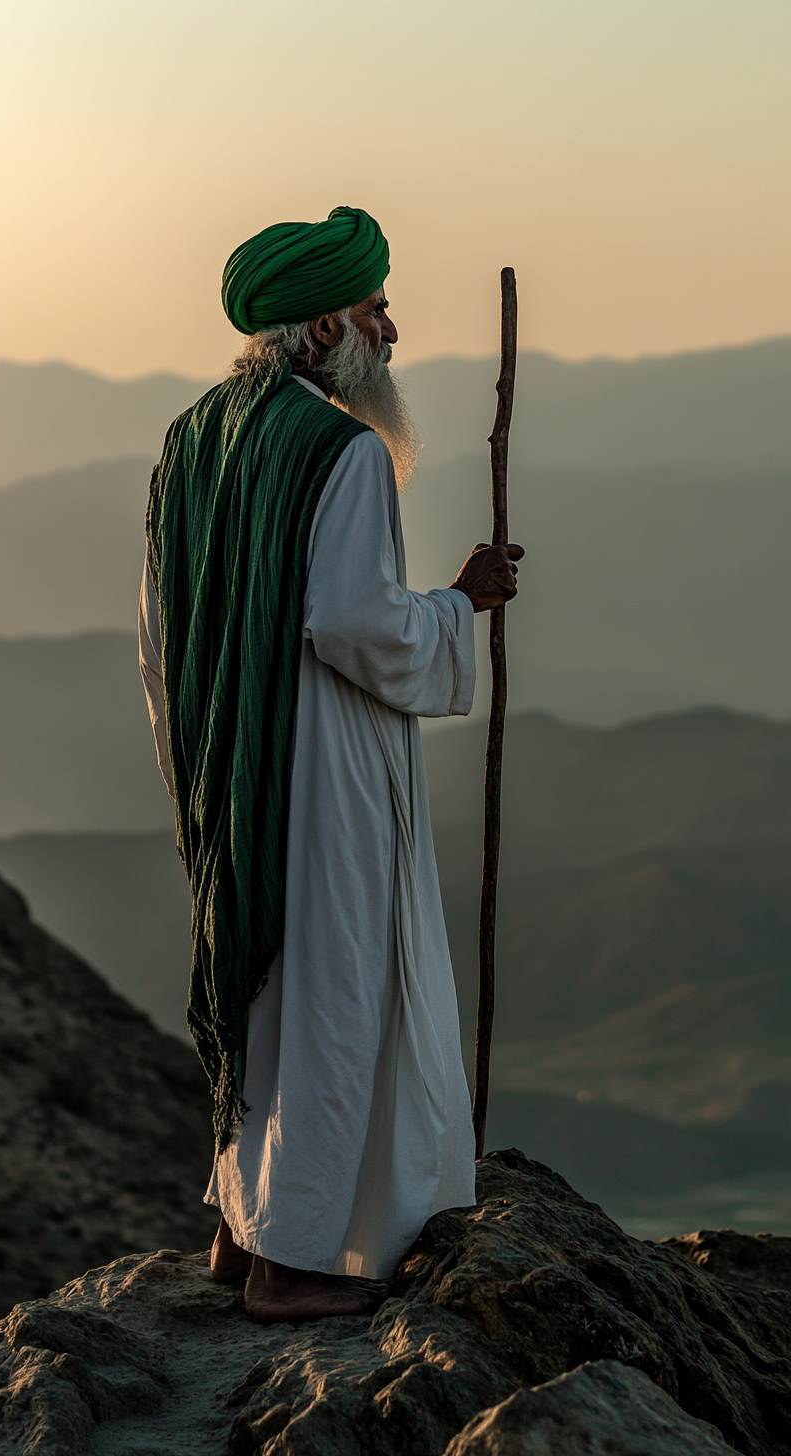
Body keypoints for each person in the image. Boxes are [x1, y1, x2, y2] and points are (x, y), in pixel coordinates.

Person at [139, 205, 523, 1323]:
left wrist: (196, 770)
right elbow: (358, 625)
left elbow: (164, 629)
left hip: (235, 762)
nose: (391, 330)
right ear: (320, 334)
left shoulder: (194, 437)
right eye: (374, 308)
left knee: (267, 988)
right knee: (336, 991)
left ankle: (239, 1220)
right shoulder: (339, 448)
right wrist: (461, 602)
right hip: (325, 769)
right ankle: (297, 1262)